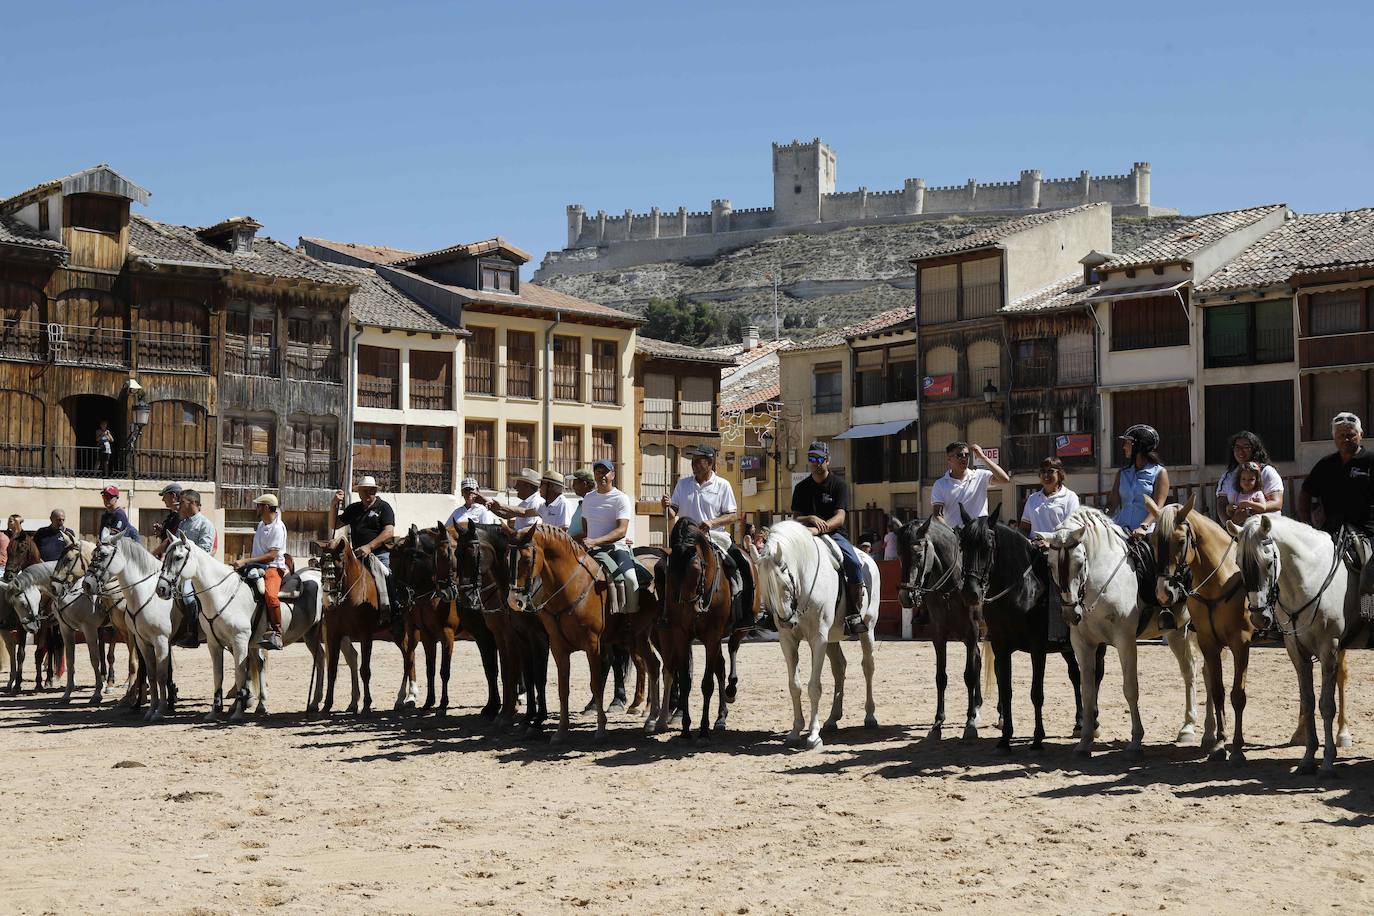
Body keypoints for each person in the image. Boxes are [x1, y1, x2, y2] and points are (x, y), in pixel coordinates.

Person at [790, 440, 868, 636]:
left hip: (834, 534)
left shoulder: (839, 485)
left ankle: (854, 613)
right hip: (805, 535)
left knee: (854, 564)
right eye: (812, 458)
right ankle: (780, 612)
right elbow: (795, 518)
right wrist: (810, 518)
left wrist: (820, 530)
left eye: (819, 458)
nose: (816, 463)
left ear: (828, 460)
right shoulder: (801, 488)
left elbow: (840, 517)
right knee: (783, 563)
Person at [1108, 424, 1175, 629]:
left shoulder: (1159, 473)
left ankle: (1163, 607)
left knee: (1152, 566)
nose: (1124, 447)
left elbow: (1158, 506)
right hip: (1120, 530)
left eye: (1127, 443)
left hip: (1146, 531)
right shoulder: (1122, 473)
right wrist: (1102, 521)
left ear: (1138, 446)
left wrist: (1143, 527)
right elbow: (1113, 505)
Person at [574, 458, 641, 608]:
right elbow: (586, 529)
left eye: (606, 472)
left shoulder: (621, 498)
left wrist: (594, 541)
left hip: (616, 548)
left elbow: (621, 531)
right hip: (591, 550)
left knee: (631, 580)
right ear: (595, 475)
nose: (602, 475)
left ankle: (629, 620)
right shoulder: (588, 499)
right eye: (598, 472)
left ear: (613, 475)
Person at [334, 475, 397, 625]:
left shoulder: (384, 507)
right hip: (356, 556)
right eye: (365, 491)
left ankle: (392, 611)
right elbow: (334, 525)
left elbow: (389, 531)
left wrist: (369, 546)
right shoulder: (354, 509)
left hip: (379, 554)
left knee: (387, 576)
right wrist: (333, 504)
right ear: (359, 492)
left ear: (375, 491)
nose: (368, 494)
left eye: (371, 491)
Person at [1300, 412, 1374, 537]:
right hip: (1332, 532)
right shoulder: (1326, 464)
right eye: (1341, 435)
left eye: (1351, 435)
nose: (1346, 439)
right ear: (1334, 437)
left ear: (1360, 435)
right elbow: (1306, 492)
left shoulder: (1370, 460)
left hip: (1367, 533)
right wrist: (1307, 524)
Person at [232, 493, 287, 650]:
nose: (256, 508)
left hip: (273, 567)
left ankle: (277, 633)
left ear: (267, 507)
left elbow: (271, 556)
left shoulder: (278, 528)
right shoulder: (262, 524)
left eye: (259, 505)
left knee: (270, 595)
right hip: (257, 565)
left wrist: (245, 561)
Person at [173, 490, 215, 648]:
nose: (180, 506)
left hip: (196, 572)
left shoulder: (205, 524)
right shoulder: (183, 523)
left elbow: (205, 551)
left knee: (187, 596)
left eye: (182, 503)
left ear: (192, 503)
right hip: (179, 569)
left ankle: (192, 634)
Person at [930, 441, 1010, 523]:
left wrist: (983, 457)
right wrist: (951, 533)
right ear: (949, 459)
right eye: (959, 455)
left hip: (979, 533)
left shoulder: (980, 475)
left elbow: (1004, 479)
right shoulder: (940, 484)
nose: (964, 458)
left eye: (967, 455)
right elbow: (937, 515)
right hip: (955, 533)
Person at [1216, 431, 1284, 524]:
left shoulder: (1267, 471)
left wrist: (1248, 512)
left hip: (1266, 528)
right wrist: (1229, 526)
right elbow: (1221, 505)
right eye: (1237, 447)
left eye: (1246, 447)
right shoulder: (1228, 476)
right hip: (1237, 530)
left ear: (1254, 449)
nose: (1241, 451)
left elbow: (1277, 503)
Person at [1019, 457, 1082, 538]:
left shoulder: (1070, 497)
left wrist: (1049, 543)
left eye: (1050, 471)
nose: (1046, 475)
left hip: (1057, 549)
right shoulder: (1032, 499)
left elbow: (1072, 529)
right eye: (1043, 471)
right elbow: (1024, 528)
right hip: (1033, 548)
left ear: (1059, 474)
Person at [486, 468, 545, 532]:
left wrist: (501, 506)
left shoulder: (536, 502)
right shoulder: (525, 503)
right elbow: (506, 515)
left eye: (518, 484)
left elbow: (532, 530)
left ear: (527, 486)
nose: (515, 487)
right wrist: (489, 505)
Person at [151, 483, 183, 558]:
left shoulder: (179, 516)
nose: (163, 500)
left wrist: (151, 555)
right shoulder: (172, 515)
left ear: (173, 496)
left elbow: (170, 540)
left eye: (165, 496)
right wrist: (162, 531)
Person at [567, 468, 595, 537]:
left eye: (575, 483)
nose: (573, 486)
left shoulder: (592, 503)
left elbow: (589, 532)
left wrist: (570, 539)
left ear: (584, 484)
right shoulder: (583, 502)